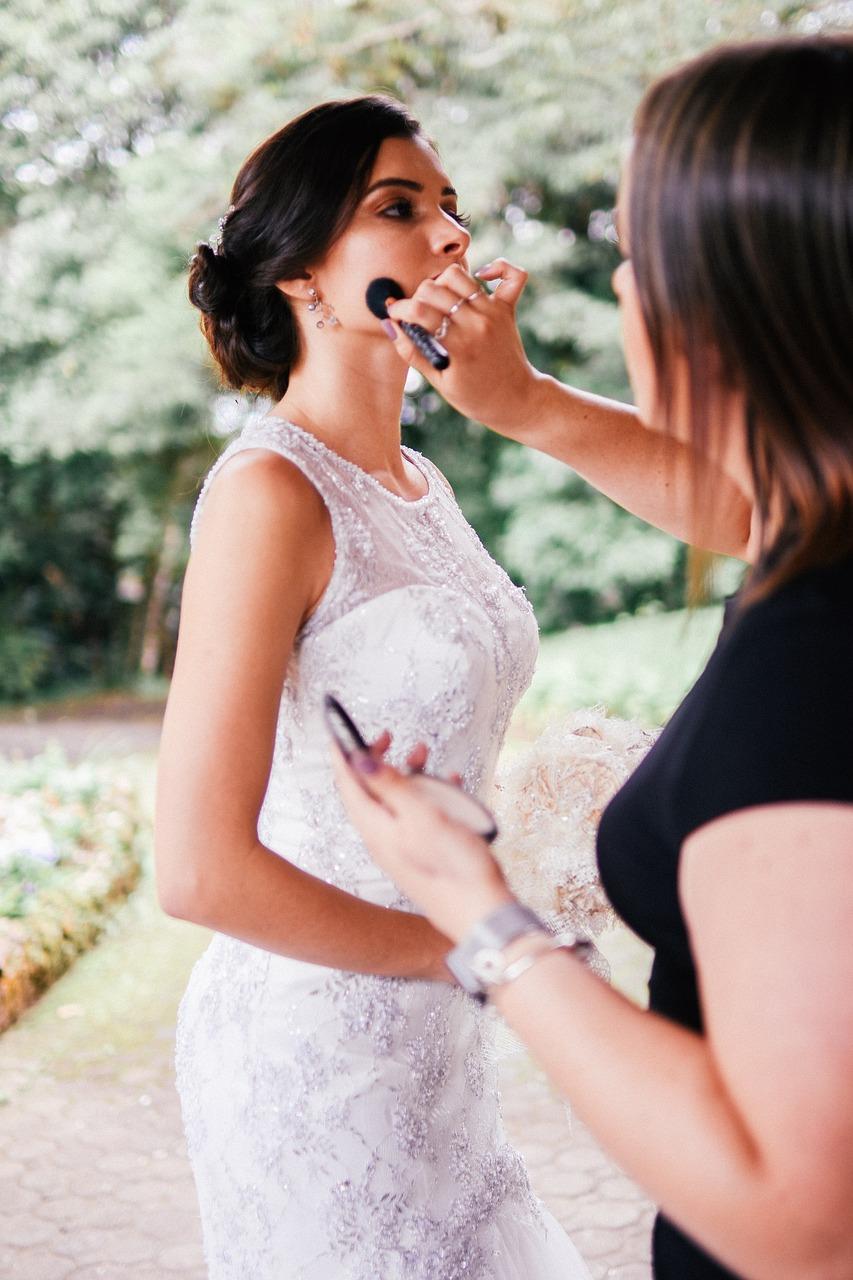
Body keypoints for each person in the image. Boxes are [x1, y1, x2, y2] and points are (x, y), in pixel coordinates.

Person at [332, 37, 853, 1280]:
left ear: (718, 301)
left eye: (632, 255)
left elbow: (802, 1213)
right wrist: (521, 402)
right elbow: (747, 509)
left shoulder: (816, 661)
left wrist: (477, 911)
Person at [155, 95, 595, 1279]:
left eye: (449, 207)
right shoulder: (266, 496)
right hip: (313, 1047)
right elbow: (197, 867)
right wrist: (473, 945)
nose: (450, 236)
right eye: (399, 209)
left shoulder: (425, 482)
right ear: (300, 272)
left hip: (438, 1047)